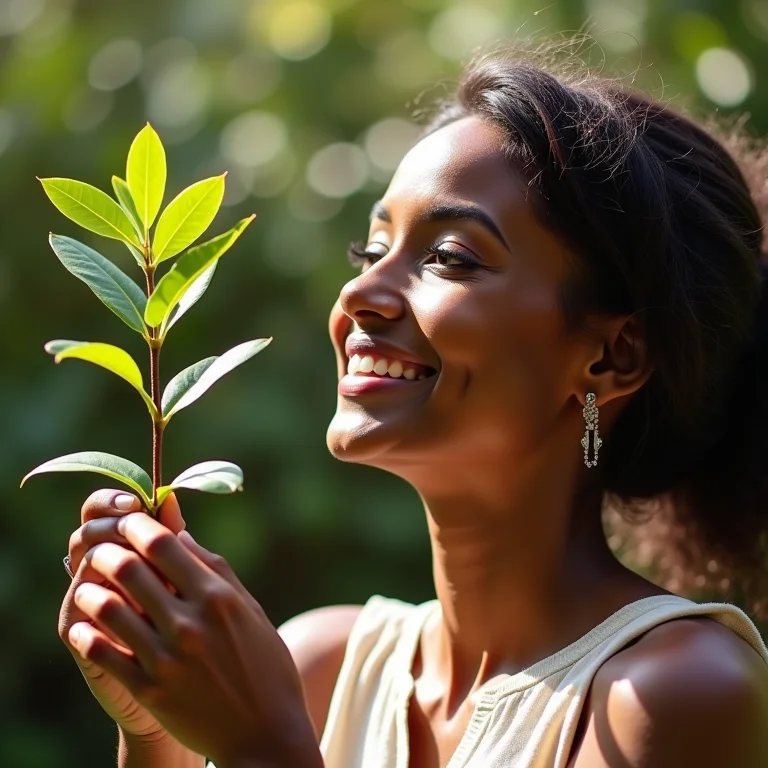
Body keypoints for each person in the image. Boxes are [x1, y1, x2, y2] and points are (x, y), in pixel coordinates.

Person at [58, 49, 768, 768]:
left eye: (450, 256)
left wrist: (262, 747)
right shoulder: (318, 669)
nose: (360, 294)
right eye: (370, 249)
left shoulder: (678, 693)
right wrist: (154, 739)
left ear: (612, 357)